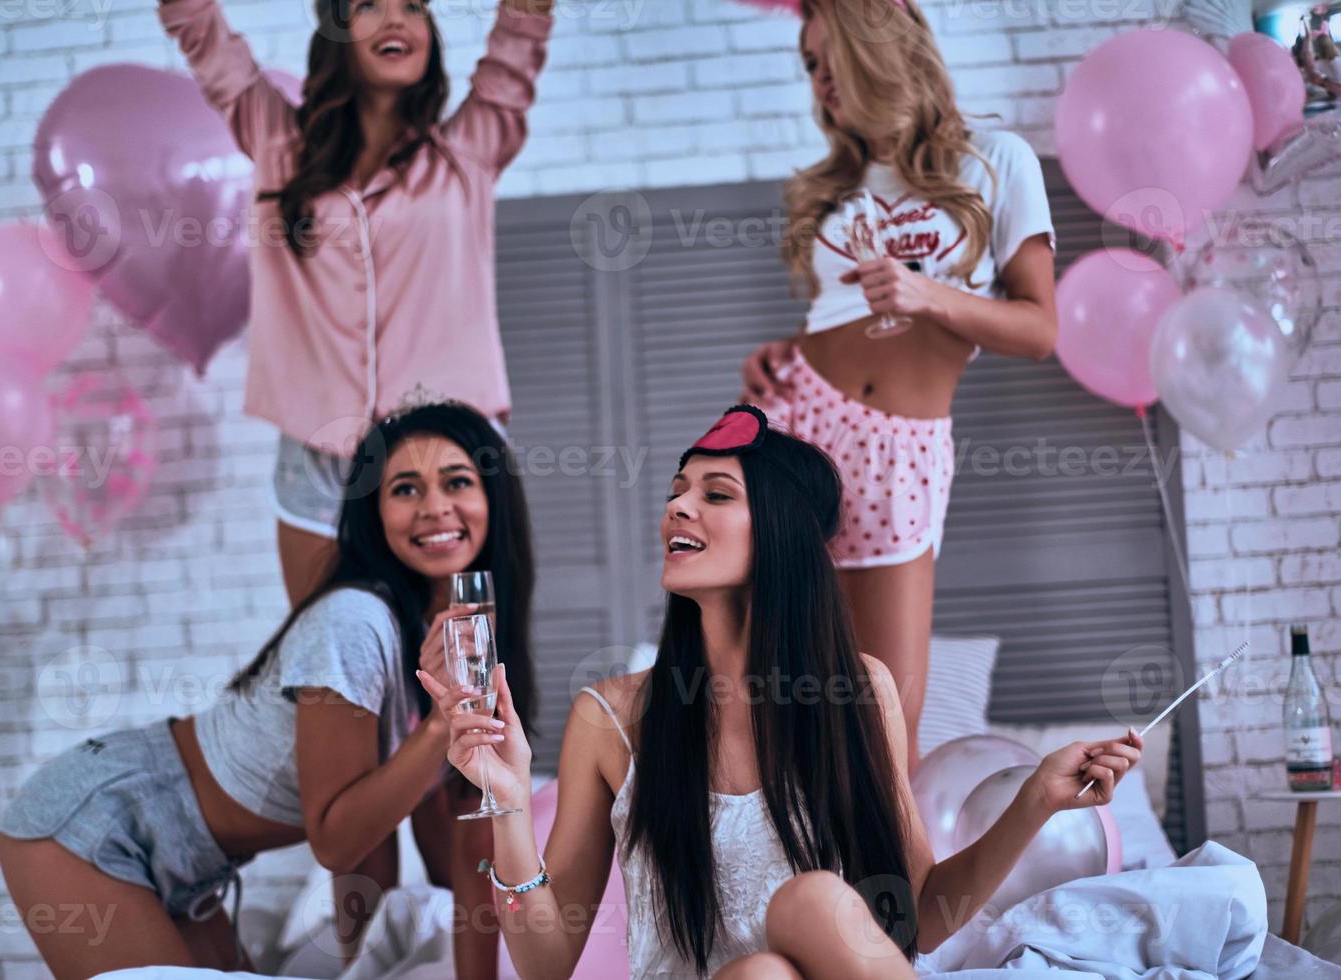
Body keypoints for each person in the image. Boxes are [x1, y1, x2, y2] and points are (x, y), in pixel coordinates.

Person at [421, 406, 1141, 979]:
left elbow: (920, 916)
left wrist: (1035, 800)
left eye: (715, 494)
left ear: (780, 535)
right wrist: (508, 801)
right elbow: (545, 966)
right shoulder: (611, 717)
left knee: (806, 912)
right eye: (676, 492)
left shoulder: (859, 692)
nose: (677, 508)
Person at [0, 402, 537, 980]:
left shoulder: (454, 644)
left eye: (457, 481)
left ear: (493, 498)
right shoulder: (355, 622)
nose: (434, 507)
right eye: (405, 488)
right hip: (93, 825)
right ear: (376, 512)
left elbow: (458, 860)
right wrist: (438, 726)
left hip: (196, 864)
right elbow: (338, 841)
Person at [741, 0, 1058, 770]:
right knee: (779, 694)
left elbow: (1040, 329)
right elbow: (837, 317)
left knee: (884, 711)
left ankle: (891, 892)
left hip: (898, 449)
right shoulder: (833, 188)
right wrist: (782, 354)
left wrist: (929, 296)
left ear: (877, 45)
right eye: (809, 66)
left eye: (829, 58)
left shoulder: (994, 160)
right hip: (790, 425)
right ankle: (793, 884)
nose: (820, 82)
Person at [157, 0, 555, 603]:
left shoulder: (468, 151)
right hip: (319, 448)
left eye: (414, 8)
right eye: (370, 6)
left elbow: (516, 45)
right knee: (330, 661)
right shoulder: (279, 146)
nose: (397, 20)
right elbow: (206, 39)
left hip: (447, 451)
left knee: (460, 668)